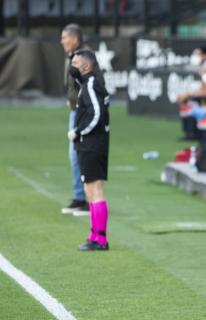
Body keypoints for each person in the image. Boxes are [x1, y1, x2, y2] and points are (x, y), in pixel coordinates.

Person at [67, 50, 111, 251]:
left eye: (75, 63)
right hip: (88, 144)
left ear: (86, 67)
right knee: (89, 190)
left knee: (95, 190)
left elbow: (97, 114)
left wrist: (78, 131)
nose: (71, 66)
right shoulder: (87, 84)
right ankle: (94, 234)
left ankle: (100, 239)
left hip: (93, 144)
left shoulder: (92, 84)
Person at [61, 23, 91, 215]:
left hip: (83, 112)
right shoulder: (73, 56)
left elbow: (90, 84)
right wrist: (71, 100)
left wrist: (78, 101)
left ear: (75, 39)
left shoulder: (83, 57)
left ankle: (85, 199)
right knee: (75, 154)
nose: (62, 41)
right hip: (76, 109)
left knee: (78, 154)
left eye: (65, 37)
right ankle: (80, 198)